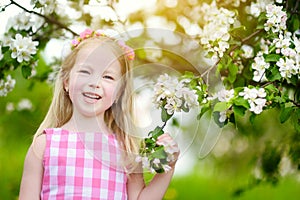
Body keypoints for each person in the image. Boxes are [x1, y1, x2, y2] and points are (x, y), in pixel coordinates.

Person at [19, 29, 179, 200]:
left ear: (119, 92)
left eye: (108, 77)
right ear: (66, 82)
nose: (94, 83)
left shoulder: (126, 149)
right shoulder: (44, 145)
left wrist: (167, 167)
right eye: (85, 72)